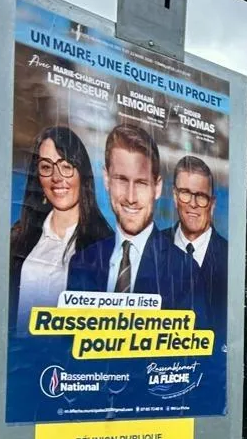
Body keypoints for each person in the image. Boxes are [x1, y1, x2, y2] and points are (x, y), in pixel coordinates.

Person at [66, 123, 191, 305]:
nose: (131, 197)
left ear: (157, 188)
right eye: (121, 180)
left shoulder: (185, 272)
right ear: (107, 179)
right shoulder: (81, 263)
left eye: (141, 183)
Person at [9, 126, 112, 329]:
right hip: (20, 349)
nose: (56, 177)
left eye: (66, 166)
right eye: (46, 167)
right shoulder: (19, 237)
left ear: (81, 173)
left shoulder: (105, 244)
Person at [162, 155, 228, 340]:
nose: (192, 204)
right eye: (185, 193)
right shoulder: (152, 248)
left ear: (212, 204)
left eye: (201, 196)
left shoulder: (231, 259)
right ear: (174, 196)